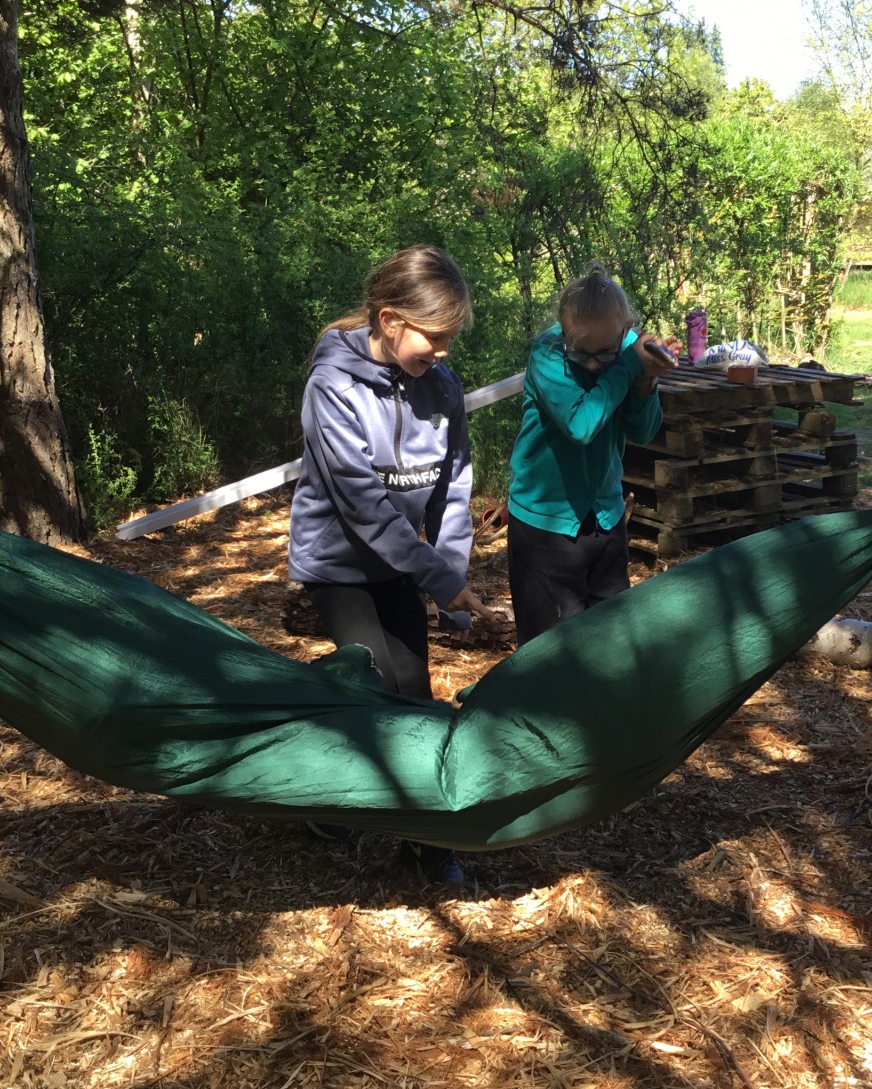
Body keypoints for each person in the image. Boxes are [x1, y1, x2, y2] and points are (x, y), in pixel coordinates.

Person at [288, 245, 494, 884]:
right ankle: (329, 798)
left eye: (451, 338)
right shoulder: (332, 387)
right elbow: (364, 507)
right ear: (389, 320)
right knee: (375, 683)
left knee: (414, 688)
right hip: (339, 565)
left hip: (402, 565)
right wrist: (439, 579)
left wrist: (450, 575)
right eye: (435, 336)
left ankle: (425, 839)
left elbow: (453, 489)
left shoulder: (442, 387)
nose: (444, 351)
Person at [506, 264, 681, 644]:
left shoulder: (629, 350)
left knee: (609, 642)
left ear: (625, 328)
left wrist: (646, 380)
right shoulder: (549, 353)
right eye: (580, 351)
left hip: (605, 517)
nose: (591, 363)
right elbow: (580, 425)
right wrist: (626, 366)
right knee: (550, 650)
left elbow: (643, 431)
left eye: (604, 352)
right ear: (563, 329)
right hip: (546, 524)